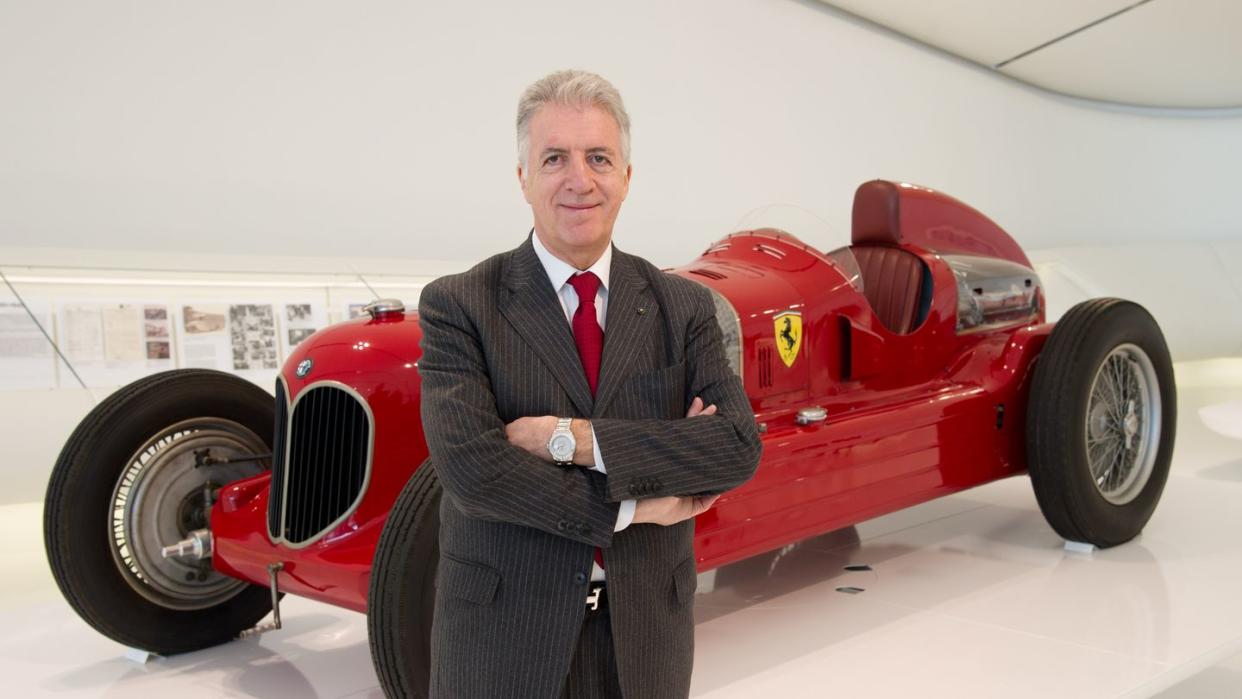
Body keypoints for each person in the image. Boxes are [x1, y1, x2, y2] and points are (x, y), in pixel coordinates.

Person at [417, 69, 762, 698]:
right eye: (555, 158)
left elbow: (736, 445)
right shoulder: (459, 304)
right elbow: (473, 470)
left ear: (626, 176)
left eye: (598, 157)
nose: (580, 179)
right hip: (503, 638)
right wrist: (635, 505)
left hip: (644, 641)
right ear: (523, 178)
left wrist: (571, 439)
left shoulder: (685, 308)